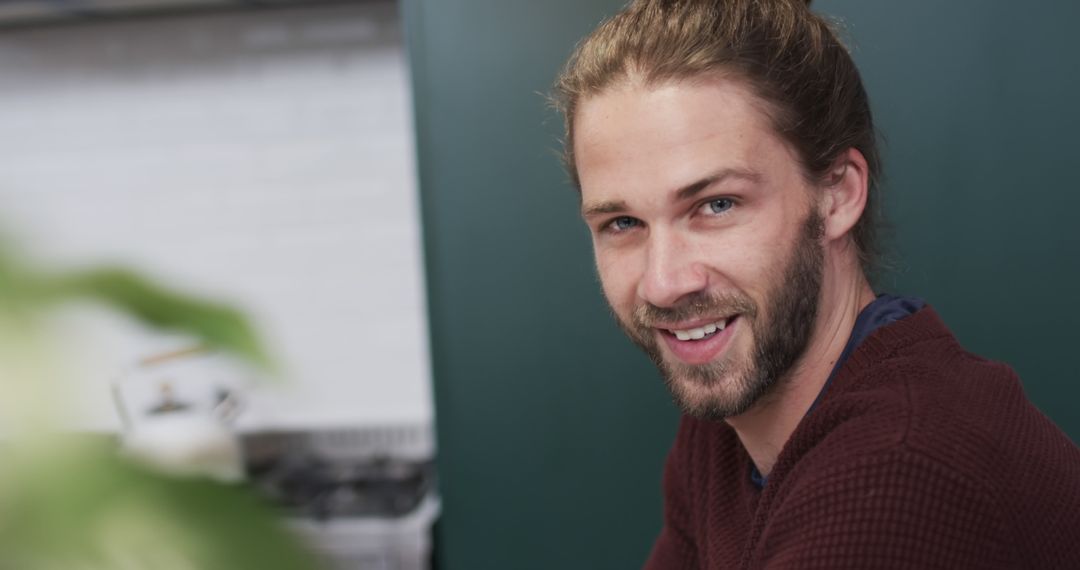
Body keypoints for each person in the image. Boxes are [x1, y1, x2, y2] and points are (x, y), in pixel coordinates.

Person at [552, 0, 1080, 568]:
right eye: (623, 224)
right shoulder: (729, 418)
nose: (663, 283)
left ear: (838, 193)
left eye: (716, 204)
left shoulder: (899, 472)